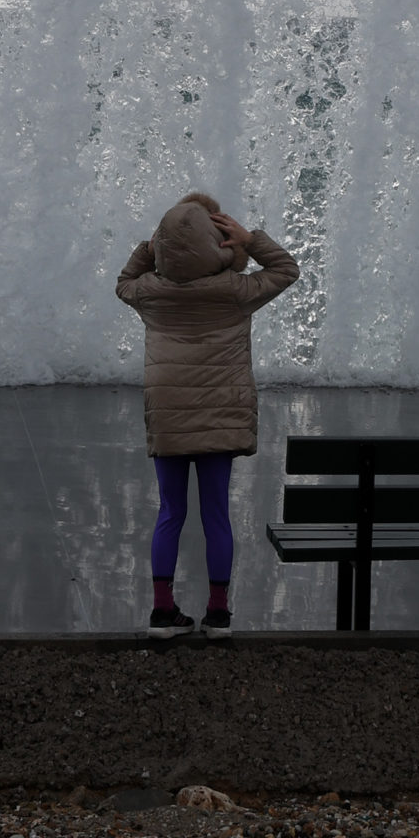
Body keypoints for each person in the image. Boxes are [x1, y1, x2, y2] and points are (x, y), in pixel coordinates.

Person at [114, 191, 299, 638]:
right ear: (216, 245)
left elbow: (124, 281)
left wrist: (156, 243)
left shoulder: (151, 293)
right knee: (216, 514)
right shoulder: (234, 291)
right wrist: (249, 239)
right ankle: (217, 615)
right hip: (219, 418)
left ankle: (163, 614)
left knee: (170, 512)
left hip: (169, 417)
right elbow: (286, 270)